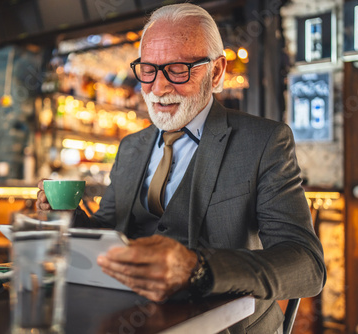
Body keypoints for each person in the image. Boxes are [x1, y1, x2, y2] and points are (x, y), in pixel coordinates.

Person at [37, 3, 325, 333]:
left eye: (177, 70)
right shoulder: (131, 147)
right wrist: (68, 217)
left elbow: (307, 265)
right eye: (148, 69)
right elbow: (108, 231)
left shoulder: (264, 141)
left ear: (216, 72)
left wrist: (197, 269)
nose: (158, 88)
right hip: (132, 320)